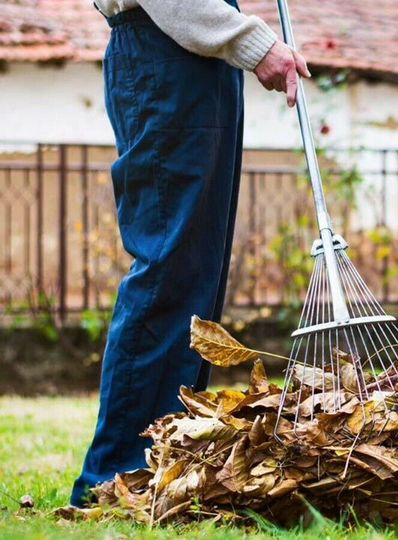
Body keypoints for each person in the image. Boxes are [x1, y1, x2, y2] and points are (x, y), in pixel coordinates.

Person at [70, 0, 310, 507]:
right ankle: (116, 475)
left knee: (196, 274)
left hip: (196, 61)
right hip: (166, 53)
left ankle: (166, 463)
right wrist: (253, 41)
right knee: (168, 268)